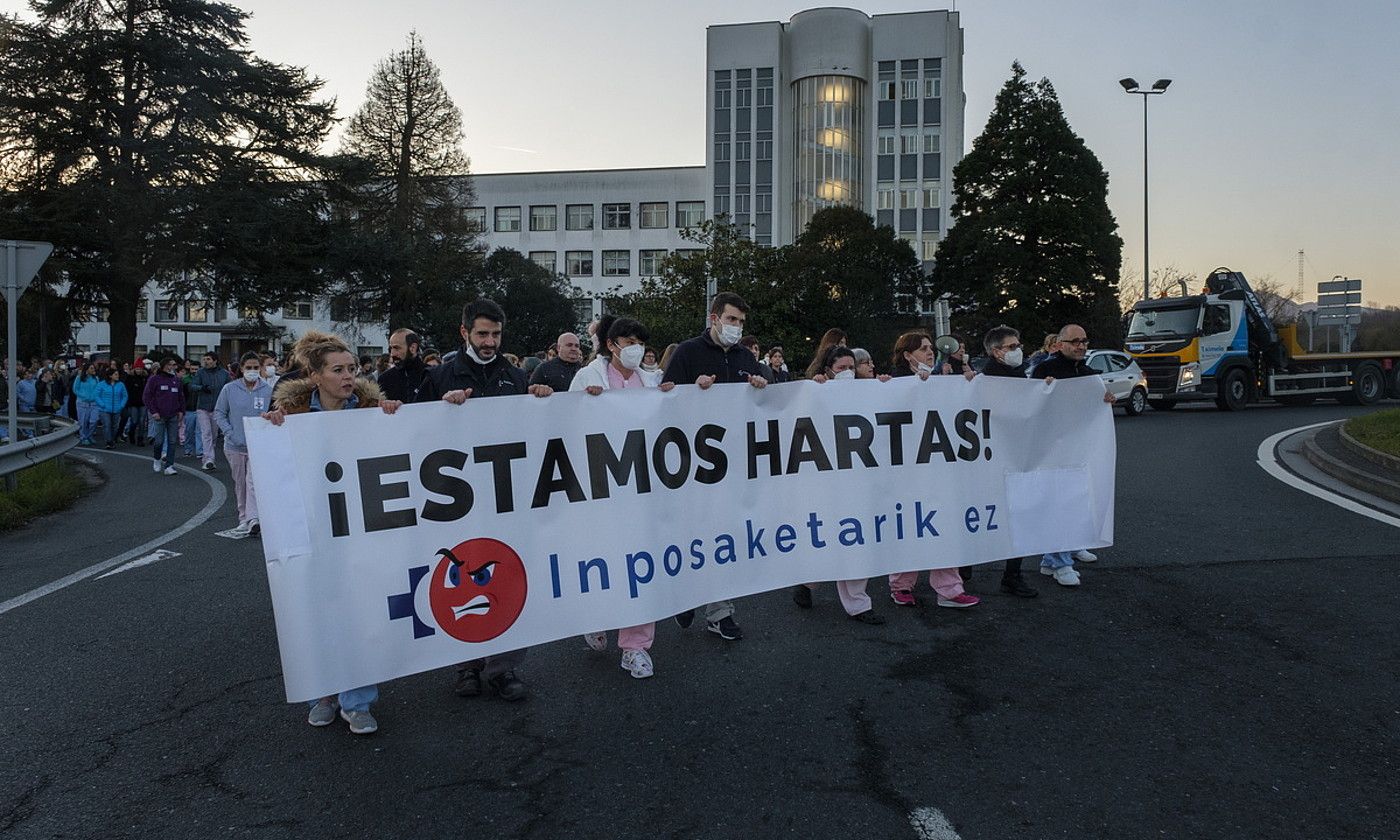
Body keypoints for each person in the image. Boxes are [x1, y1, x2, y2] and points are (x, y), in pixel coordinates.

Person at [263, 331, 402, 735]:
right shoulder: (292, 417)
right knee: (315, 611)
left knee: (360, 612)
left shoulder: (372, 409)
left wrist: (391, 415)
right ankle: (322, 693)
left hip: (359, 529)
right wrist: (273, 431)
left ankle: (358, 701)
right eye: (338, 370)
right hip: (311, 530)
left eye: (352, 369)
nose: (347, 377)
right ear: (315, 376)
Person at [416, 299, 552, 701]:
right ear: (464, 333)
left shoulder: (515, 375)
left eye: (495, 334)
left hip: (505, 495)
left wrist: (541, 397)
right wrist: (440, 410)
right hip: (454, 499)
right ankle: (466, 666)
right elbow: (411, 431)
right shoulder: (440, 377)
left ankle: (503, 667)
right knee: (458, 574)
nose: (490, 341)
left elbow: (535, 428)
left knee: (507, 574)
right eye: (482, 334)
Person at [570, 316, 677, 678]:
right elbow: (563, 423)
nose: (635, 347)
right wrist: (584, 405)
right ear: (611, 344)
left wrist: (675, 398)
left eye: (640, 341)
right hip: (602, 486)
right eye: (627, 340)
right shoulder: (588, 378)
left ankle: (635, 646)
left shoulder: (653, 381)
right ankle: (599, 615)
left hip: (643, 487)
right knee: (605, 558)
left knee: (643, 562)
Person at [661, 291, 768, 641]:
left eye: (740, 322)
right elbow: (665, 398)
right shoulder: (688, 352)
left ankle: (720, 612)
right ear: (714, 318)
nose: (736, 327)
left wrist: (759, 388)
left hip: (731, 465)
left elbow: (761, 409)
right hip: (690, 466)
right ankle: (685, 596)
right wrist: (692, 389)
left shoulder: (745, 358)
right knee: (692, 535)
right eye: (731, 319)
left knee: (725, 537)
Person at [883, 331, 981, 609]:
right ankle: (901, 584)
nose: (929, 352)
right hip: (905, 470)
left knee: (944, 523)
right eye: (923, 348)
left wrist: (969, 386)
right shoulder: (892, 383)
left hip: (938, 465)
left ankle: (949, 588)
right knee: (909, 526)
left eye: (930, 348)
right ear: (906, 355)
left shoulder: (941, 382)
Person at [791, 345, 887, 624]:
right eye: (841, 368)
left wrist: (883, 388)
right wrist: (814, 389)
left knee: (857, 538)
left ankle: (858, 604)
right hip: (825, 481)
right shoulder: (814, 391)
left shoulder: (866, 391)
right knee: (828, 539)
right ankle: (808, 582)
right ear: (827, 371)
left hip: (858, 478)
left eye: (850, 368)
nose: (847, 373)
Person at [1029, 323, 1116, 587]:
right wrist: (1041, 389)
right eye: (1075, 341)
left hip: (1079, 448)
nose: (1081, 346)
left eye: (1084, 341)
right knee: (1058, 502)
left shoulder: (1089, 374)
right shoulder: (1045, 370)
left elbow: (1092, 409)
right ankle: (1059, 561)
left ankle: (1061, 553)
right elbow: (1030, 402)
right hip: (1053, 447)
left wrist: (1106, 400)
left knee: (1076, 499)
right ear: (1060, 344)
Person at [978, 325, 1039, 597]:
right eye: (1012, 347)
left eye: (1018, 345)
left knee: (1020, 517)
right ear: (996, 351)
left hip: (1016, 457)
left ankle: (1012, 574)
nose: (1018, 351)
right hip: (989, 457)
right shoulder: (985, 379)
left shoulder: (1021, 375)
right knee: (979, 512)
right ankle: (965, 567)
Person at [215, 352, 274, 535]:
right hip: (235, 446)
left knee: (254, 482)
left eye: (256, 367)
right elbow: (219, 413)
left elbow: (273, 413)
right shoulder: (229, 389)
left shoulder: (267, 390)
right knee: (240, 483)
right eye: (248, 368)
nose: (252, 371)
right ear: (241, 369)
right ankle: (243, 516)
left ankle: (254, 518)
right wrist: (230, 433)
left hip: (258, 446)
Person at [144, 356, 186, 475]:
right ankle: (157, 459)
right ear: (164, 366)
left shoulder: (176, 380)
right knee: (159, 441)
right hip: (159, 415)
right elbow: (147, 397)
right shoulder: (154, 379)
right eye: (170, 364)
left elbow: (181, 397)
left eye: (174, 365)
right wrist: (154, 411)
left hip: (173, 415)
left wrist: (182, 411)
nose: (172, 367)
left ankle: (169, 466)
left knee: (172, 441)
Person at [378, 328, 428, 403]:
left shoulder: (431, 375)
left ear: (413, 348)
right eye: (391, 349)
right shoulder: (385, 379)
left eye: (397, 348)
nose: (392, 354)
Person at [93, 367, 129, 449]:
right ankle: (108, 441)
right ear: (110, 375)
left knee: (115, 426)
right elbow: (97, 395)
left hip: (117, 409)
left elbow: (125, 396)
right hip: (104, 409)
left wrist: (121, 405)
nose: (117, 376)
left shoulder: (121, 385)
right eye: (115, 374)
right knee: (107, 424)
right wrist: (102, 404)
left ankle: (112, 440)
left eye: (118, 374)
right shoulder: (101, 384)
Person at [72, 363, 101, 445]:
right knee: (83, 421)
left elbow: (98, 389)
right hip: (82, 403)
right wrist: (83, 396)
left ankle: (89, 435)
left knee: (94, 421)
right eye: (91, 368)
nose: (93, 370)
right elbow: (75, 389)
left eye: (94, 368)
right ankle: (83, 437)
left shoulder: (96, 378)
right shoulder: (79, 378)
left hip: (94, 403)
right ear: (87, 369)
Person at [122, 361, 149, 445]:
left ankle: (140, 438)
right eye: (137, 369)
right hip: (133, 403)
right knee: (134, 420)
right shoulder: (130, 378)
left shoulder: (145, 378)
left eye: (140, 369)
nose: (138, 370)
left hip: (143, 402)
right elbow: (126, 390)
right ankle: (131, 432)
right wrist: (127, 402)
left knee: (142, 421)